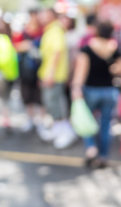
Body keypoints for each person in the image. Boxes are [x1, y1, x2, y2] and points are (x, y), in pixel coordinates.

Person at [71, 21, 121, 168]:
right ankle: (103, 156)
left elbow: (80, 72)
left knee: (85, 120)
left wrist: (76, 88)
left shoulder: (87, 49)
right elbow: (120, 69)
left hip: (91, 90)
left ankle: (91, 148)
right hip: (110, 91)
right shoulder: (114, 48)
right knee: (106, 124)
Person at [37, 8, 77, 149]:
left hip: (54, 76)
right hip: (49, 74)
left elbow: (57, 52)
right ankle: (57, 130)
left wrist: (50, 74)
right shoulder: (50, 30)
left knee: (56, 104)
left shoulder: (55, 30)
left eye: (45, 15)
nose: (42, 18)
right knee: (51, 104)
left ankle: (65, 132)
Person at [14, 10, 43, 132]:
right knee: (27, 96)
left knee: (40, 98)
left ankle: (40, 121)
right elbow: (15, 47)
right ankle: (30, 119)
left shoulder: (43, 32)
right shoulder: (22, 33)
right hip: (25, 71)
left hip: (39, 70)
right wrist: (25, 45)